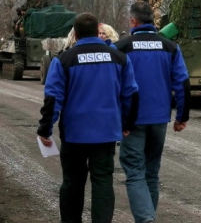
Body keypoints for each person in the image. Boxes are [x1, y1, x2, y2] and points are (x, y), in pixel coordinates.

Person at [37, 12, 139, 223]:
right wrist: (128, 123)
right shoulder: (119, 58)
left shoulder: (63, 60)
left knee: (72, 182)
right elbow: (131, 93)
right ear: (97, 31)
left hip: (74, 134)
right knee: (103, 181)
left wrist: (45, 129)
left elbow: (53, 98)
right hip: (106, 133)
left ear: (74, 34)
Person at [115, 1, 190, 223]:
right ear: (153, 22)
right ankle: (149, 216)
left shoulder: (121, 47)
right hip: (159, 119)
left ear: (133, 21)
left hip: (131, 121)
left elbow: (109, 84)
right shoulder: (170, 47)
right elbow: (182, 83)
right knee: (151, 172)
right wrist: (182, 117)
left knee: (135, 173)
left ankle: (146, 219)